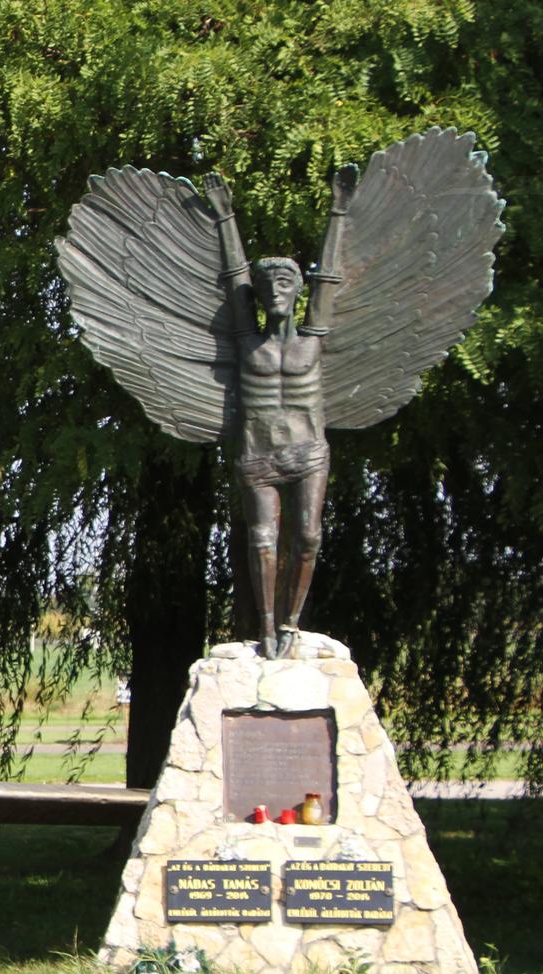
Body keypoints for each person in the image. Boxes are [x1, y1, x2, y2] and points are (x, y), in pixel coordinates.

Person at [203, 166, 357, 659]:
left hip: (309, 452)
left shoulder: (313, 340)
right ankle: (267, 629)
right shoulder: (249, 342)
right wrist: (226, 217)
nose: (276, 291)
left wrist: (339, 208)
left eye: (286, 282)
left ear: (297, 291)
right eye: (268, 285)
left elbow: (328, 280)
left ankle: (292, 623)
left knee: (308, 535)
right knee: (263, 540)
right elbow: (233, 279)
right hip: (258, 458)